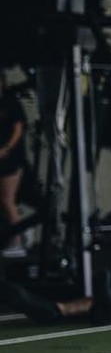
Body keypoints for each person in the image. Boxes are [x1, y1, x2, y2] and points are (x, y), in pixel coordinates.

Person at [0, 72, 29, 258]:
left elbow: (18, 128)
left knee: (7, 200)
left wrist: (6, 148)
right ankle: (23, 230)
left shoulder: (10, 101)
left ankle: (19, 242)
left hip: (11, 157)